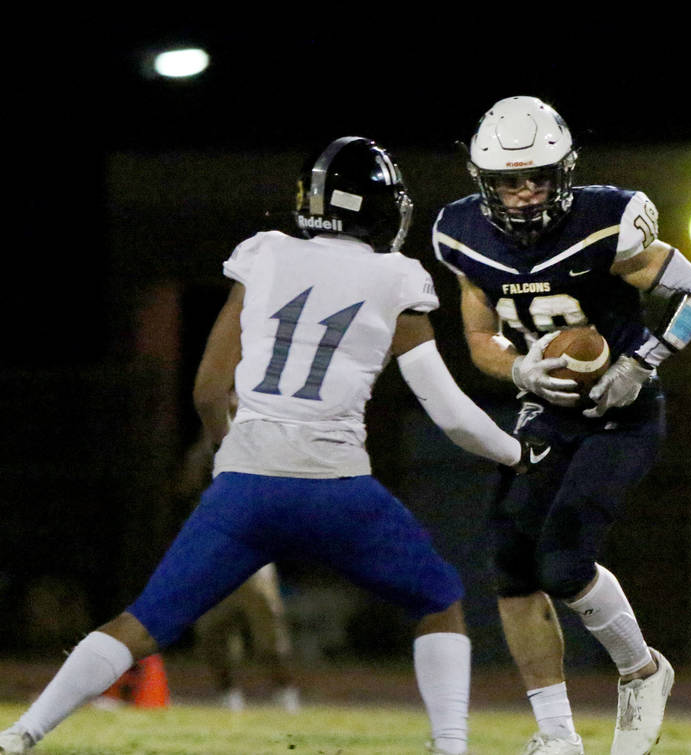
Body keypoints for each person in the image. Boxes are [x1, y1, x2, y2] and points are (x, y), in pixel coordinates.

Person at [0, 136, 542, 755]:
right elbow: (448, 413)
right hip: (339, 489)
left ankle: (22, 733)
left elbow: (208, 388)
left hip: (246, 487)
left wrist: (232, 457)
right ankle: (450, 746)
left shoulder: (265, 254)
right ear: (376, 207)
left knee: (142, 623)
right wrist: (517, 455)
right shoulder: (396, 276)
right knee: (439, 599)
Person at [432, 96, 691, 755]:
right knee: (510, 564)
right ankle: (558, 734)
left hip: (621, 417)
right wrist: (519, 372)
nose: (527, 193)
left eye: (538, 176)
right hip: (547, 414)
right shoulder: (460, 233)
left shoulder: (603, 221)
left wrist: (642, 363)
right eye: (510, 180)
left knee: (563, 560)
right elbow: (480, 336)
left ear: (565, 172)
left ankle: (643, 670)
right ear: (485, 182)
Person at [178, 417, 300, 712]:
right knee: (212, 631)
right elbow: (185, 487)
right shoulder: (202, 452)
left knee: (268, 630)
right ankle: (227, 696)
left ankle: (285, 693)